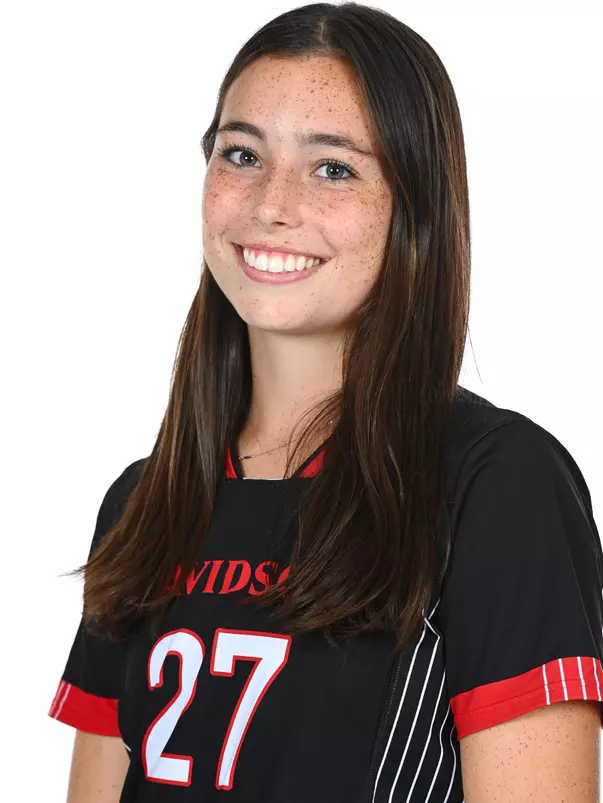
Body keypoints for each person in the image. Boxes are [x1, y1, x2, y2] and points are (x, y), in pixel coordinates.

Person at [48, 3, 603, 801]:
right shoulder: (141, 503)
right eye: (240, 154)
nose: (271, 203)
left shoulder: (496, 484)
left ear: (410, 205)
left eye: (332, 167)